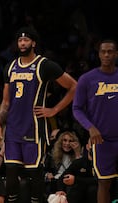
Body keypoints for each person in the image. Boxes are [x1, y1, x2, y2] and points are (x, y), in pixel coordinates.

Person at [0, 26, 77, 203]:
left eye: (26, 40)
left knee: (34, 174)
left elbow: (74, 86)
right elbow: (6, 102)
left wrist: (54, 110)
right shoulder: (10, 67)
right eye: (20, 40)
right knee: (11, 175)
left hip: (34, 129)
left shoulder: (44, 65)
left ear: (33, 43)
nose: (22, 43)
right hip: (13, 130)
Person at [72, 39, 118, 203]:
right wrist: (90, 127)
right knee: (104, 182)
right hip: (102, 140)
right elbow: (76, 108)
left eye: (110, 51)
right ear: (98, 54)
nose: (107, 54)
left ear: (116, 54)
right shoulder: (87, 79)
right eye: (103, 51)